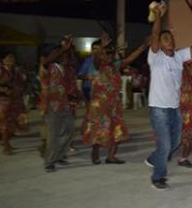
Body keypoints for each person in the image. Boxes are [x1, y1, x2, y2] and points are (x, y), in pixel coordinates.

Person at [145, 1, 192, 190]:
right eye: (165, 38)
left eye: (171, 38)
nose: (170, 40)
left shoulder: (178, 57)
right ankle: (158, 178)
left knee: (174, 142)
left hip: (174, 109)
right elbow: (154, 34)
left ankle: (153, 158)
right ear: (159, 43)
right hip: (158, 109)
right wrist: (158, 14)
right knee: (166, 145)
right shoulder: (155, 57)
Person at [82, 39, 150, 164]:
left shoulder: (115, 66)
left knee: (116, 130)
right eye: (105, 53)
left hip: (114, 104)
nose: (108, 56)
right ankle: (95, 154)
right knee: (98, 129)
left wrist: (143, 46)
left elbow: (130, 59)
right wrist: (102, 47)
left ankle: (111, 156)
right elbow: (96, 58)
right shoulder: (97, 66)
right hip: (99, 105)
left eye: (110, 53)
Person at [41, 38, 76, 172]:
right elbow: (46, 62)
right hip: (51, 106)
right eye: (57, 52)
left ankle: (59, 155)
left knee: (70, 130)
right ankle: (49, 162)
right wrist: (62, 48)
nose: (61, 54)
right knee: (53, 135)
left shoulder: (63, 68)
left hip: (64, 104)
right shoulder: (46, 66)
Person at [0, 53, 29, 155]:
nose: (11, 59)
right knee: (5, 124)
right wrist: (2, 89)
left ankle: (6, 142)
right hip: (3, 101)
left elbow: (23, 81)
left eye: (13, 57)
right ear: (3, 59)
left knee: (15, 124)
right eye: (9, 57)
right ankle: (5, 146)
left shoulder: (17, 70)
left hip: (16, 100)